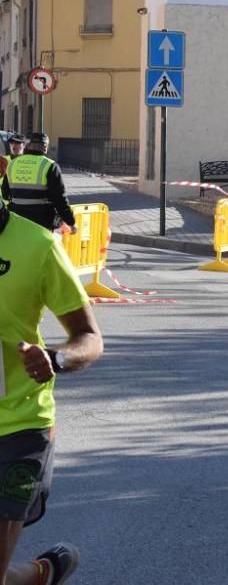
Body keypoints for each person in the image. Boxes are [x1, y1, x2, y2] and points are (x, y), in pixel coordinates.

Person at [0, 156, 104, 584]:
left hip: (20, 427)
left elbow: (90, 336)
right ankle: (41, 573)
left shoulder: (38, 245)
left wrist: (57, 359)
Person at [6, 133, 77, 233]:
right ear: (45, 147)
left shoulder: (12, 164)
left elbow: (5, 193)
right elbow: (60, 199)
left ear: (28, 146)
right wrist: (71, 222)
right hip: (41, 222)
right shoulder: (50, 165)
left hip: (16, 219)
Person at [1, 134, 26, 207]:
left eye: (17, 143)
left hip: (19, 203)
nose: (14, 145)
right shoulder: (3, 160)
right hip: (1, 204)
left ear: (24, 145)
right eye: (12, 143)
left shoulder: (28, 162)